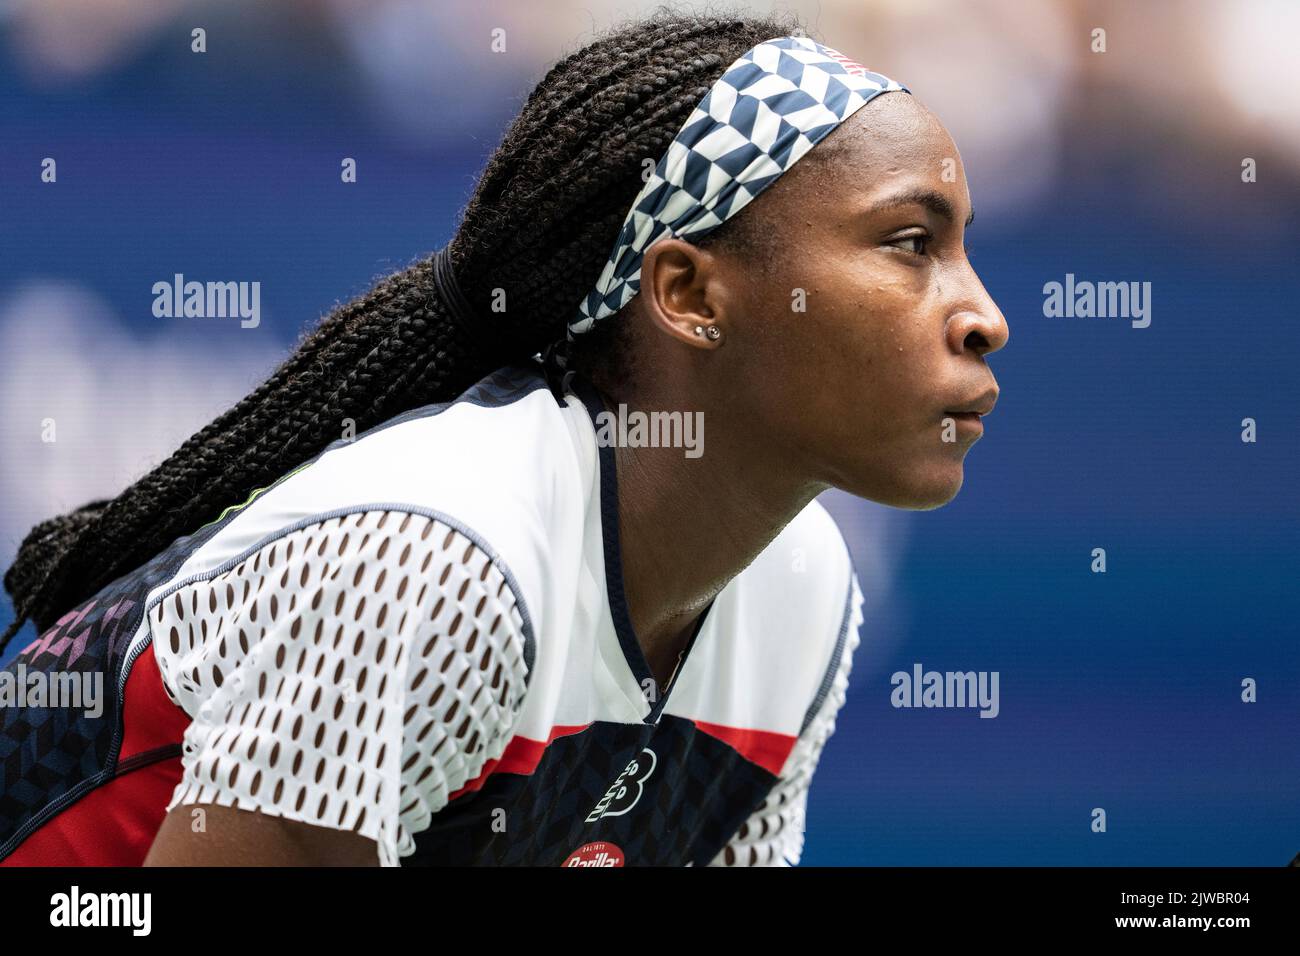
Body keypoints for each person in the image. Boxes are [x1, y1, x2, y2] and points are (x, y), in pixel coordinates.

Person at [0, 11, 1006, 867]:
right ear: (692, 293)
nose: (984, 316)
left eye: (962, 248)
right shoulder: (436, 556)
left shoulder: (802, 594)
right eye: (910, 244)